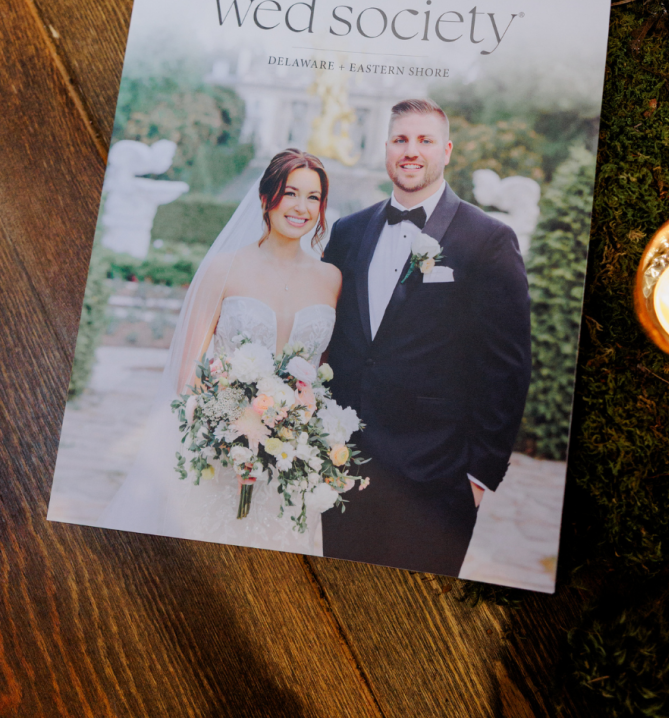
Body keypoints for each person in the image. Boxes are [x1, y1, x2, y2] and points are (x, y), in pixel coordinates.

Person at [321, 99, 531, 577]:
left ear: (447, 151)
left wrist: (479, 477)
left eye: (424, 140)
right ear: (387, 149)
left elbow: (508, 367)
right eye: (400, 140)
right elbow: (331, 338)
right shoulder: (349, 232)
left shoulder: (488, 239)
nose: (410, 151)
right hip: (344, 469)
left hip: (436, 483)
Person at [97, 149, 341, 554]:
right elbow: (188, 373)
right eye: (290, 193)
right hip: (222, 456)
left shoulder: (331, 279)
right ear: (266, 198)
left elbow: (323, 374)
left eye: (313, 197)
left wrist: (299, 430)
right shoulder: (224, 268)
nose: (302, 207)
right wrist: (238, 428)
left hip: (291, 464)